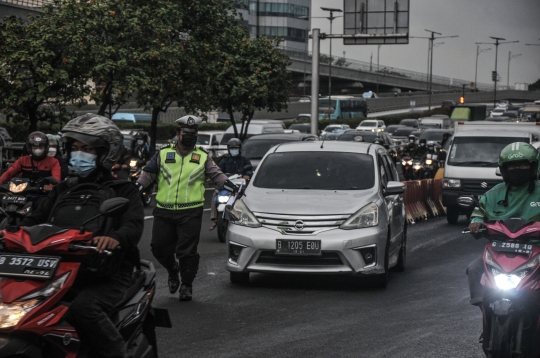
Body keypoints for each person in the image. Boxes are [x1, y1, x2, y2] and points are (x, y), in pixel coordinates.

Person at [19, 114, 144, 358]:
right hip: (56, 269)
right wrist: (11, 233)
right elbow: (35, 218)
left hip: (107, 273)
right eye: (74, 148)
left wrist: (115, 239)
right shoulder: (63, 189)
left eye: (87, 149)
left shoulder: (123, 189)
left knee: (84, 309)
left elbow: (133, 225)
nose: (79, 154)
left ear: (106, 153)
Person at [136, 115, 236, 301]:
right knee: (159, 248)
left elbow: (218, 176)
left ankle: (187, 285)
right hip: (164, 211)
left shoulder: (202, 157)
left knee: (187, 252)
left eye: (193, 133)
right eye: (186, 132)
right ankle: (173, 270)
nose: (190, 136)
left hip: (190, 212)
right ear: (178, 134)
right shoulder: (164, 154)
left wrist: (233, 187)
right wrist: (136, 189)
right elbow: (148, 174)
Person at [467, 142, 540, 307]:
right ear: (504, 170)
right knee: (474, 269)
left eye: (522, 165)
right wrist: (476, 223)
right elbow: (479, 213)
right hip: (498, 251)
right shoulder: (493, 194)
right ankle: (486, 313)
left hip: (535, 250)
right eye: (512, 166)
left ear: (533, 167)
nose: (517, 169)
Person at [209, 138, 252, 230]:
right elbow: (218, 171)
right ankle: (215, 218)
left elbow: (249, 171)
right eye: (232, 148)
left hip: (240, 187)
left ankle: (250, 217)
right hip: (227, 185)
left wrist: (247, 175)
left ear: (240, 149)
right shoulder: (224, 160)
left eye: (235, 148)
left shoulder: (245, 160)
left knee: (246, 197)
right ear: (228, 149)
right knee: (215, 194)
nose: (234, 150)